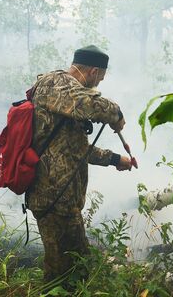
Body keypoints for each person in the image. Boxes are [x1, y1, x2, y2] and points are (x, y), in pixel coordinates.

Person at [26, 45, 132, 285]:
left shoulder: (65, 99)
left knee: (67, 265)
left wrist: (116, 159)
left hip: (62, 198)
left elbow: (75, 150)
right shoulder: (56, 84)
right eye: (100, 79)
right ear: (93, 72)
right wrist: (116, 114)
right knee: (69, 269)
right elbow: (93, 105)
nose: (98, 85)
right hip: (53, 196)